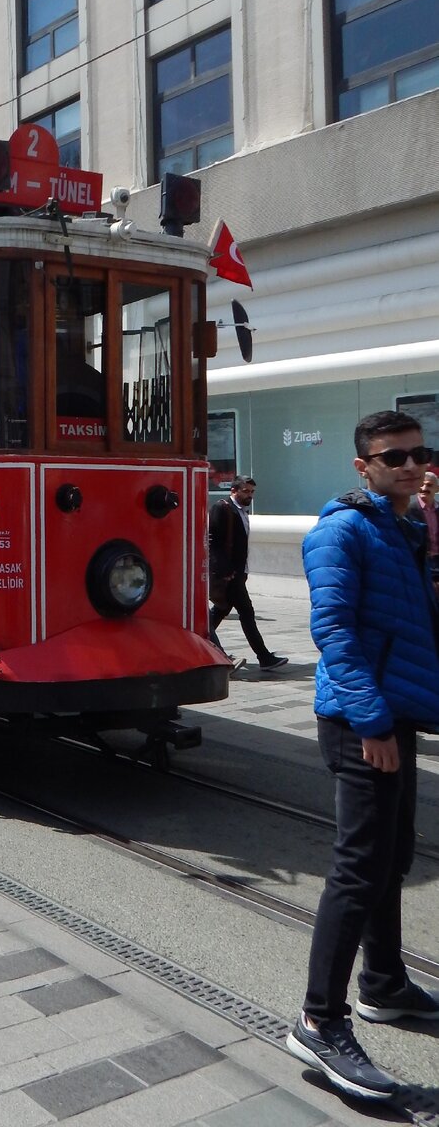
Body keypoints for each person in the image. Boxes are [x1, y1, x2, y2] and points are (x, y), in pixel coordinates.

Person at [288, 410, 439, 1100]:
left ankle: (383, 983)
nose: (409, 464)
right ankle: (319, 1020)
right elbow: (334, 633)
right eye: (393, 456)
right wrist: (373, 722)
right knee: (358, 868)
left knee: (394, 857)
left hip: (395, 714)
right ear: (363, 465)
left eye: (418, 452)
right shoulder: (342, 530)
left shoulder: (406, 526)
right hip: (359, 722)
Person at [207, 476, 287, 671]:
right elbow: (212, 541)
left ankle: (201, 641)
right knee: (247, 613)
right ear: (234, 490)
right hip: (228, 574)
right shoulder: (222, 508)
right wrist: (225, 570)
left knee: (218, 612)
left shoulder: (242, 512)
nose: (249, 495)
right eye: (245, 491)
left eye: (252, 492)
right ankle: (264, 657)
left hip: (238, 573)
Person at [407, 469, 439, 583]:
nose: (424, 488)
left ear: (437, 489)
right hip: (422, 562)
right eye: (422, 484)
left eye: (429, 485)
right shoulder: (408, 511)